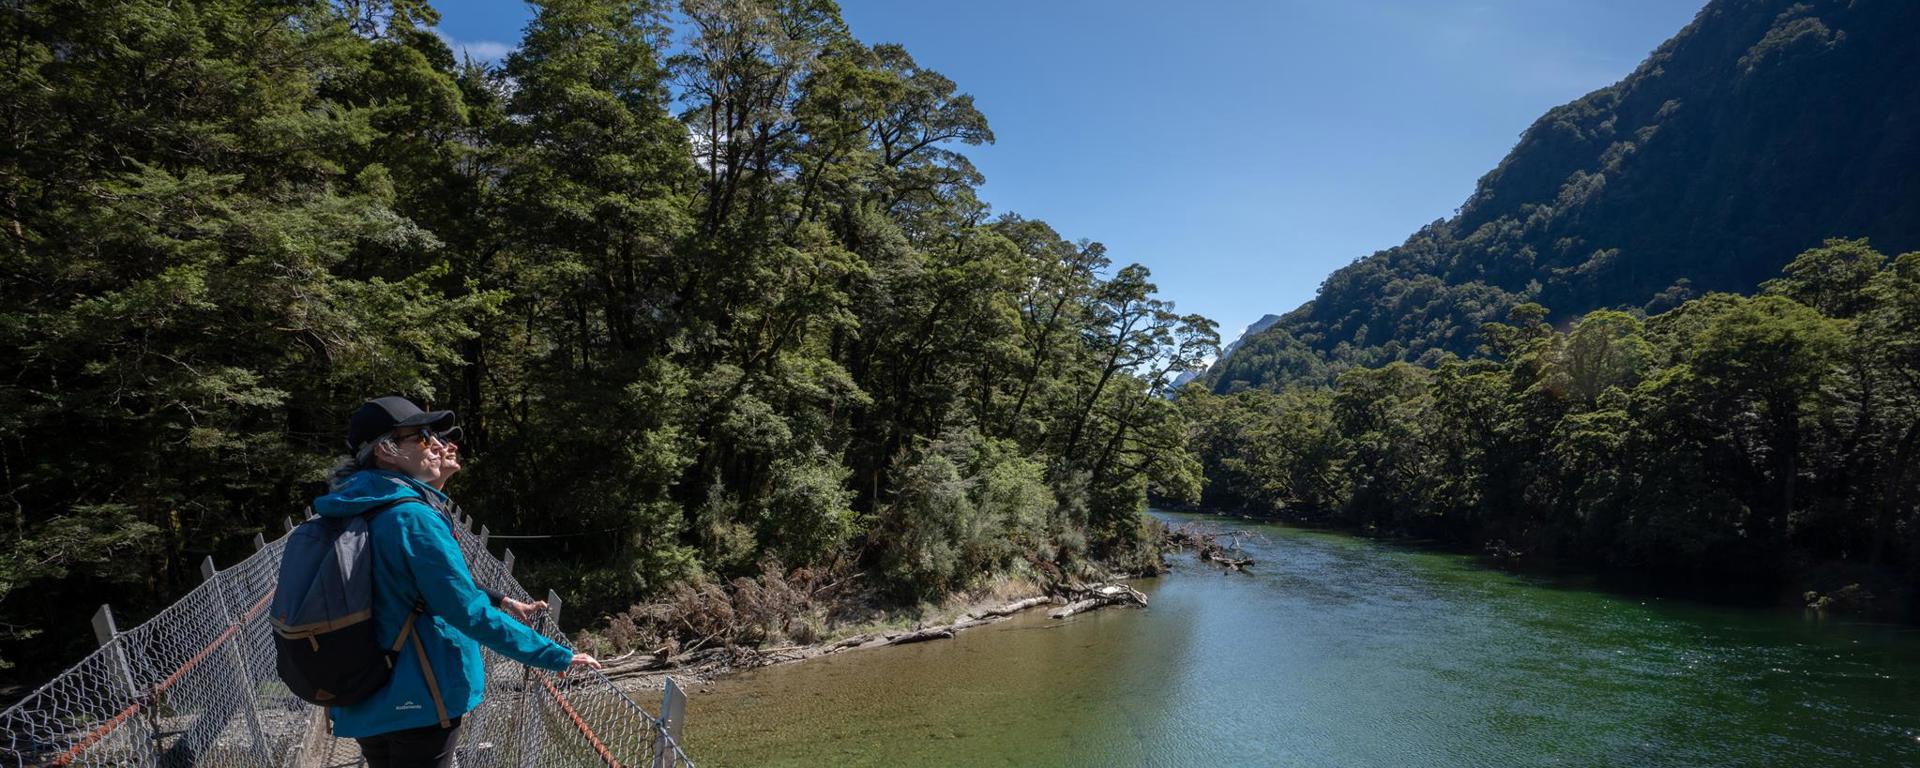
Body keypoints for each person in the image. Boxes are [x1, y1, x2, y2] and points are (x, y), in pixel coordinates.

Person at [314, 396, 599, 768]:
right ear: (386, 449)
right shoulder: (411, 518)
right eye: (420, 436)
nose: (435, 443)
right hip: (418, 693)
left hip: (362, 689)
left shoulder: (349, 509)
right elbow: (466, 611)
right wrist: (553, 655)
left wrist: (501, 600)